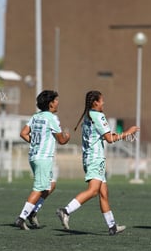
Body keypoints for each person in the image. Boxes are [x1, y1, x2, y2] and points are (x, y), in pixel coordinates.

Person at [56, 90, 139, 235]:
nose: (103, 103)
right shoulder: (98, 116)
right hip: (96, 158)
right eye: (101, 100)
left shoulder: (88, 117)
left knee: (104, 193)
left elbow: (105, 135)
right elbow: (109, 139)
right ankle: (66, 211)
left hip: (89, 157)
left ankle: (112, 226)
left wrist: (122, 134)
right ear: (95, 102)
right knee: (94, 190)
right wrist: (128, 132)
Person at [15, 90, 70, 230]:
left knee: (51, 185)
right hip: (43, 158)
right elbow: (61, 140)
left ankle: (32, 212)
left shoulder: (35, 117)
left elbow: (23, 133)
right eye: (56, 100)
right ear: (51, 103)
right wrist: (67, 137)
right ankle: (22, 218)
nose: (58, 103)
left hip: (34, 156)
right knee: (39, 188)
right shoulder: (52, 118)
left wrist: (35, 143)